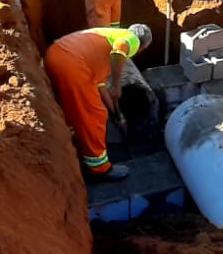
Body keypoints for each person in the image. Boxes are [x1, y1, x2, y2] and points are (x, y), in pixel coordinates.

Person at [43, 23, 152, 182]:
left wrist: (115, 113)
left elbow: (100, 86)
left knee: (75, 112)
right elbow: (119, 50)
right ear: (142, 47)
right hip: (72, 64)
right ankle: (99, 169)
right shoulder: (132, 38)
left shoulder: (105, 41)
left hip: (55, 56)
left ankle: (79, 150)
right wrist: (116, 85)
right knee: (95, 116)